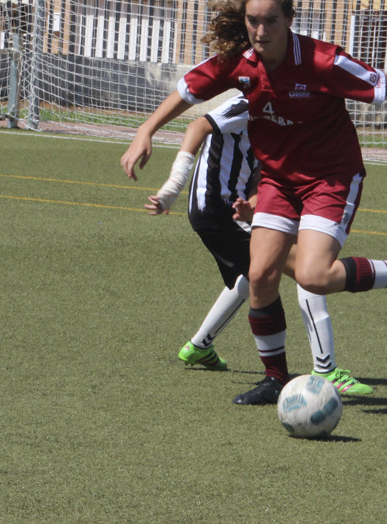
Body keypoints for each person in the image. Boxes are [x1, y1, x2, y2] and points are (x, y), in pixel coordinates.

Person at [122, 0, 387, 405]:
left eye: (270, 21)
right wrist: (146, 130)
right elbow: (187, 91)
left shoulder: (322, 61)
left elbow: (384, 85)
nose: (260, 31)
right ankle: (276, 379)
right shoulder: (240, 62)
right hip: (278, 182)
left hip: (331, 177)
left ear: (289, 19)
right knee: (262, 274)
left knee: (313, 275)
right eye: (253, 21)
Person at [146, 92, 372, 396]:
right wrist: (171, 189)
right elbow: (197, 126)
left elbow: (261, 175)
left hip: (227, 210)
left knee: (258, 271)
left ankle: (199, 346)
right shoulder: (250, 101)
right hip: (220, 210)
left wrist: (257, 205)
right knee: (306, 265)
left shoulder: (279, 116)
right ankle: (326, 369)